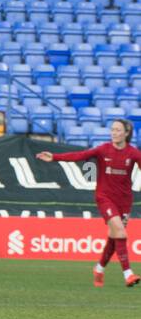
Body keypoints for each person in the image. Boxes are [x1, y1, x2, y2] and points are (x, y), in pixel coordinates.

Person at [38, 118, 141, 287]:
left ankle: (99, 268)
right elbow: (79, 155)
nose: (114, 133)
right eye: (112, 129)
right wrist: (55, 157)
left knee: (114, 237)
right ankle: (128, 274)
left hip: (125, 200)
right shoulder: (103, 149)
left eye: (118, 130)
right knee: (121, 233)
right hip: (105, 197)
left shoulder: (133, 153)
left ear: (127, 133)